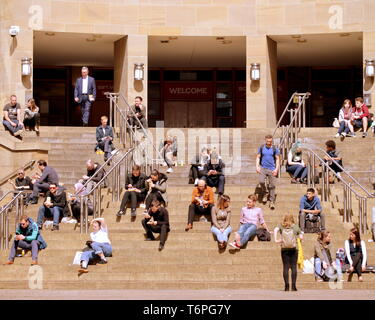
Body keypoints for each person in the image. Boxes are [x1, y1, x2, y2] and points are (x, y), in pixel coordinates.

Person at [274, 214, 303, 291]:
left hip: (284, 248)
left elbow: (275, 230)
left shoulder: (281, 226)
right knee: (294, 267)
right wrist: (299, 238)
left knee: (285, 267)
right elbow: (301, 236)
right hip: (294, 248)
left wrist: (276, 240)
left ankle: (286, 286)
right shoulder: (295, 226)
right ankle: (293, 286)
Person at [256, 135, 280, 210]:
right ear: (265, 140)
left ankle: (272, 201)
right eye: (267, 141)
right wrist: (257, 166)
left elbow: (277, 159)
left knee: (272, 185)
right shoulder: (262, 147)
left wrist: (276, 169)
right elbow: (258, 157)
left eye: (270, 141)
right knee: (261, 181)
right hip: (263, 168)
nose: (269, 143)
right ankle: (265, 192)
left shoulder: (275, 149)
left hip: (272, 169)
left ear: (272, 141)